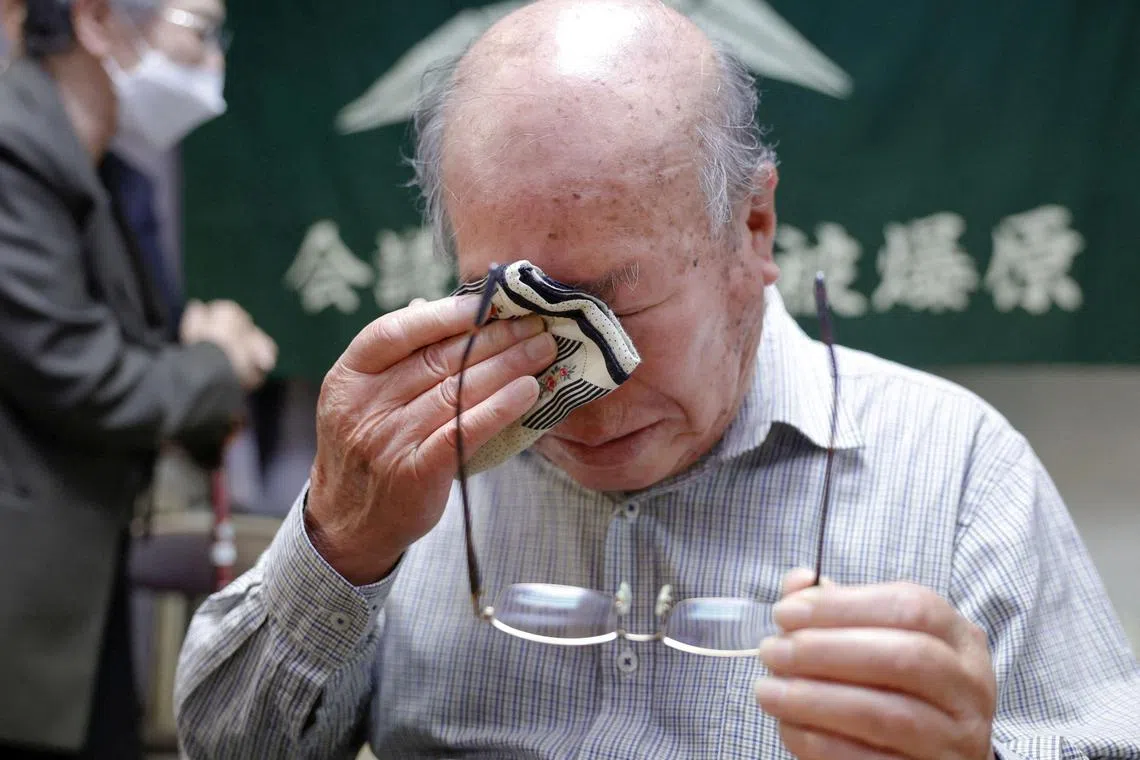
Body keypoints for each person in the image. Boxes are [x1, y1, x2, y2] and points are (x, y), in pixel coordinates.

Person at [174, 0, 1140, 758]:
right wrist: (340, 546)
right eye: (517, 310)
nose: (573, 379)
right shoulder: (416, 468)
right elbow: (225, 747)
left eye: (612, 304)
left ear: (751, 232)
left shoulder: (957, 470)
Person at [0, 0, 275, 756]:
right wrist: (218, 362)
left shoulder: (106, 173)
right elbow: (84, 375)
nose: (214, 63)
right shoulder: (13, 152)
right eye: (197, 29)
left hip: (79, 583)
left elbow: (139, 350)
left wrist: (193, 356)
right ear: (95, 21)